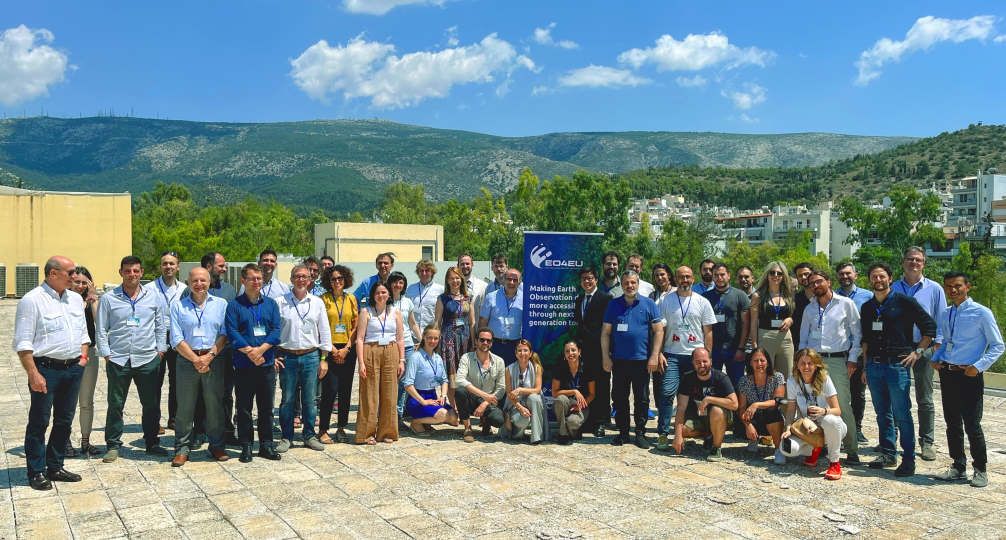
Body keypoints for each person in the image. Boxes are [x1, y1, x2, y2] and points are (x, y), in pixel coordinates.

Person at [12, 256, 89, 490]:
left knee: (64, 421)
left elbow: (83, 333)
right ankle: (36, 470)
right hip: (45, 369)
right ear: (52, 274)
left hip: (73, 368)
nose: (75, 276)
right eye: (70, 272)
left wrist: (82, 359)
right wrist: (33, 374)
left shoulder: (75, 299)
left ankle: (55, 466)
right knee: (39, 421)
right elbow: (23, 343)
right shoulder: (31, 300)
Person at [860, 263, 936, 477]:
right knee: (882, 413)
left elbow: (929, 328)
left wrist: (918, 352)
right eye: (874, 277)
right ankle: (888, 453)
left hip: (897, 366)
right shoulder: (867, 308)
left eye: (882, 276)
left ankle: (909, 459)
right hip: (874, 366)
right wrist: (865, 366)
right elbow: (865, 339)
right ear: (869, 281)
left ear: (890, 278)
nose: (878, 280)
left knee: (902, 414)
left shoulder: (905, 302)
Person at [931, 272, 1004, 488]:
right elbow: (946, 340)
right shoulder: (945, 313)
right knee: (952, 423)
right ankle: (957, 466)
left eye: (957, 286)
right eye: (948, 286)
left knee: (972, 424)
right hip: (948, 373)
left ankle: (980, 469)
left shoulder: (981, 313)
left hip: (969, 375)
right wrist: (936, 358)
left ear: (967, 287)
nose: (953, 290)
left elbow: (998, 346)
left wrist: (978, 366)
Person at [97, 255, 169, 462]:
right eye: (127, 271)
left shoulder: (153, 297)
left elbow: (161, 325)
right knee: (116, 404)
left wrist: (160, 350)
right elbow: (101, 328)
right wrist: (107, 353)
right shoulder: (109, 299)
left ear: (142, 273)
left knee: (151, 404)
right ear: (121, 272)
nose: (132, 275)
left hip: (147, 358)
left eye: (136, 271)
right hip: (119, 360)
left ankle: (152, 442)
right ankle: (112, 445)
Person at [798, 270, 862, 465]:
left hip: (837, 360)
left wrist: (852, 359)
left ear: (828, 281)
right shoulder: (809, 309)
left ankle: (852, 450)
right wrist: (802, 363)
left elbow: (857, 335)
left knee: (841, 405)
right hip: (814, 361)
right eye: (811, 284)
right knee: (818, 404)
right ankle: (822, 445)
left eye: (819, 281)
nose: (815, 285)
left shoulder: (846, 304)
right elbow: (803, 338)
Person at [168, 267, 229, 466]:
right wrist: (196, 359)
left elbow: (224, 334)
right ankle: (182, 448)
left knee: (214, 406)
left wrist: (209, 357)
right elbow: (176, 338)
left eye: (203, 280)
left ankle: (216, 445)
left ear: (209, 282)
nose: (199, 284)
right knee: (184, 407)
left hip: (214, 360)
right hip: (187, 361)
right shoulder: (178, 306)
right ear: (188, 282)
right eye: (195, 280)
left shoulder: (221, 304)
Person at [891, 247, 946, 462]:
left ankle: (927, 442)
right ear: (903, 262)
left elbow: (940, 322)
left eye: (919, 260)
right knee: (897, 396)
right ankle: (892, 438)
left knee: (925, 398)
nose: (914, 263)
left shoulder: (935, 289)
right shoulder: (893, 288)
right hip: (900, 349)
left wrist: (936, 351)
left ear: (924, 263)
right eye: (910, 259)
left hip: (925, 349)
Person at [225, 263, 282, 463]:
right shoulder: (234, 305)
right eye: (252, 279)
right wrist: (250, 351)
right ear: (243, 281)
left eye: (259, 278)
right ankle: (246, 445)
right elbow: (232, 332)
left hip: (265, 364)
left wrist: (261, 350)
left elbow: (276, 330)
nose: (257, 282)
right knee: (244, 409)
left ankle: (266, 445)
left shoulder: (271, 304)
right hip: (244, 365)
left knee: (266, 408)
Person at [655, 265, 715, 451]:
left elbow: (708, 331)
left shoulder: (702, 302)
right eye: (681, 277)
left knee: (695, 396)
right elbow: (660, 329)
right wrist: (659, 353)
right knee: (667, 393)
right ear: (675, 279)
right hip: (671, 355)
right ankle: (663, 434)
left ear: (692, 278)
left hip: (694, 356)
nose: (685, 280)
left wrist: (708, 356)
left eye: (688, 277)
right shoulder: (666, 301)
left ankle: (696, 431)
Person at [601, 270, 663, 449]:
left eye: (633, 283)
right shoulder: (613, 305)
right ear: (622, 285)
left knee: (642, 398)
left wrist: (654, 355)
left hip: (642, 360)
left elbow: (659, 331)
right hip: (619, 360)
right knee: (620, 398)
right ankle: (622, 433)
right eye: (626, 283)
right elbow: (605, 333)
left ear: (638, 284)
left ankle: (641, 433)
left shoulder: (649, 304)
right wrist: (606, 356)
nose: (630, 286)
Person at [275, 264, 332, 452]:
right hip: (287, 357)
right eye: (297, 276)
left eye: (304, 277)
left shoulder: (317, 302)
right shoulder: (280, 302)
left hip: (310, 356)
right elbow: (273, 331)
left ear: (310, 280)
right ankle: (286, 437)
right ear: (291, 280)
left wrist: (324, 359)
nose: (301, 280)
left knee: (310, 400)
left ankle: (309, 435)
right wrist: (274, 355)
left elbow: (324, 331)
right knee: (287, 399)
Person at [780, 349, 846, 480]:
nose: (806, 367)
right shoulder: (793, 381)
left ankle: (834, 463)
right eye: (802, 363)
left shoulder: (824, 379)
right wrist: (787, 428)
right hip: (808, 428)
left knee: (830, 420)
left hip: (831, 428)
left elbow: (838, 410)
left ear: (816, 365)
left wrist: (823, 411)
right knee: (787, 448)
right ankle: (815, 448)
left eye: (810, 363)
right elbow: (791, 410)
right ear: (797, 365)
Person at [355, 281, 405, 445]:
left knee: (390, 393)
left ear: (389, 294)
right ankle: (366, 434)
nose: (381, 295)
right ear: (372, 295)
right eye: (377, 293)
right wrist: (361, 362)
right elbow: (360, 339)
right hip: (371, 350)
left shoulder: (396, 313)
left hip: (391, 351)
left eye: (384, 292)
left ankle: (387, 432)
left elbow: (400, 338)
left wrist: (402, 360)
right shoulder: (366, 311)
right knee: (370, 394)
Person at [671, 348, 739, 461]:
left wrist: (710, 399)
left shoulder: (721, 377)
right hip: (698, 417)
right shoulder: (687, 378)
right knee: (681, 430)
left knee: (716, 411)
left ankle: (716, 447)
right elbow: (681, 408)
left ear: (711, 361)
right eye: (698, 362)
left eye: (705, 361)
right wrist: (677, 436)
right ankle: (709, 435)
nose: (702, 365)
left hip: (719, 417)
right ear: (693, 363)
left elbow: (734, 404)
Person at [145, 251, 186, 434]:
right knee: (155, 382)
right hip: (156, 338)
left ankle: (174, 418)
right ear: (160, 266)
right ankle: (154, 421)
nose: (168, 267)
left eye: (172, 264)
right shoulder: (149, 288)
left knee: (177, 381)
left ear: (178, 267)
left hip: (178, 338)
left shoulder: (184, 289)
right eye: (165, 264)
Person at [200, 251, 238, 445]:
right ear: (209, 266)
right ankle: (199, 431)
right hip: (198, 352)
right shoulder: (192, 289)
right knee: (199, 393)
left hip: (224, 352)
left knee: (225, 393)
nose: (225, 269)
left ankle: (226, 430)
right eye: (221, 265)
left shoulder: (230, 290)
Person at [319, 265, 358, 443]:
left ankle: (341, 427)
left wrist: (347, 348)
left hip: (348, 349)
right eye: (334, 279)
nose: (337, 282)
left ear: (346, 280)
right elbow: (320, 326)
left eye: (340, 278)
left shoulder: (351, 299)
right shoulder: (323, 299)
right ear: (329, 281)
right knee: (330, 390)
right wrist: (334, 349)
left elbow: (356, 326)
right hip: (330, 347)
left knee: (345, 390)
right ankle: (323, 429)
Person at [835, 262, 873, 445]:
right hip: (839, 352)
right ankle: (840, 429)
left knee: (858, 393)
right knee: (839, 393)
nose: (845, 277)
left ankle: (856, 429)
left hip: (859, 351)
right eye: (841, 274)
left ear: (856, 276)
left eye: (848, 273)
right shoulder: (832, 297)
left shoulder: (868, 296)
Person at [573, 266, 612, 437]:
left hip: (600, 351)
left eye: (590, 278)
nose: (587, 281)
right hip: (584, 353)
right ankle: (588, 420)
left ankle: (601, 422)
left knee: (602, 387)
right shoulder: (579, 299)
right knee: (587, 387)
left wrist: (607, 354)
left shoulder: (606, 299)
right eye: (584, 279)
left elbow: (607, 328)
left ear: (596, 279)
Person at [69, 266, 103, 457]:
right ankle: (64, 441)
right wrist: (82, 303)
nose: (81, 286)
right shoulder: (64, 300)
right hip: (69, 357)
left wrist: (93, 300)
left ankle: (85, 441)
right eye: (77, 282)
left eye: (85, 283)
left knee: (86, 402)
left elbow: (99, 323)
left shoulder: (90, 300)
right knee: (66, 402)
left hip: (89, 353)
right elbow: (75, 319)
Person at [402, 326, 458, 435]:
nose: (432, 341)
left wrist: (443, 396)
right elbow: (408, 385)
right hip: (417, 399)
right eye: (429, 338)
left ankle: (426, 422)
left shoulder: (438, 358)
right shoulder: (416, 357)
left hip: (432, 396)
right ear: (423, 338)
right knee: (442, 414)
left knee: (454, 418)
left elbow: (444, 381)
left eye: (435, 338)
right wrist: (423, 401)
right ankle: (416, 422)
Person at [703, 263, 750, 389]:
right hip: (713, 350)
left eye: (722, 274)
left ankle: (737, 409)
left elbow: (746, 324)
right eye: (716, 275)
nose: (719, 278)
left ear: (728, 276)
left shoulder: (740, 295)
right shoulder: (705, 297)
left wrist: (741, 348)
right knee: (712, 385)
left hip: (734, 349)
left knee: (737, 385)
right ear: (712, 277)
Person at [736, 348, 786, 464]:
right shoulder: (744, 381)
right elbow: (742, 407)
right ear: (750, 363)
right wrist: (747, 425)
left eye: (762, 360)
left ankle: (778, 450)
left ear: (768, 362)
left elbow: (777, 401)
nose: (759, 364)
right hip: (753, 418)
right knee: (744, 413)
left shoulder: (777, 377)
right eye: (755, 361)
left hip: (772, 419)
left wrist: (756, 404)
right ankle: (753, 438)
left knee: (772, 410)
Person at [433, 266, 476, 402]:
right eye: (451, 278)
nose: (455, 281)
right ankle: (453, 407)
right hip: (448, 340)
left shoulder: (469, 298)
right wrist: (434, 343)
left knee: (465, 373)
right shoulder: (442, 298)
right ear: (447, 280)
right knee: (452, 374)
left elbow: (472, 322)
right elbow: (437, 322)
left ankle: (465, 406)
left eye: (457, 278)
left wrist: (474, 343)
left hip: (465, 339)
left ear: (461, 280)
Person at [748, 261, 796, 379]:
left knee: (787, 375)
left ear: (783, 276)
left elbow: (791, 315)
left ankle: (784, 398)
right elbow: (753, 322)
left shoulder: (788, 295)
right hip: (766, 337)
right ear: (767, 275)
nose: (775, 275)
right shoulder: (757, 296)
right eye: (772, 272)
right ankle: (768, 398)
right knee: (765, 374)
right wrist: (754, 344)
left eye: (779, 273)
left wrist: (790, 319)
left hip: (785, 338)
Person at [387, 271, 421, 418]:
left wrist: (420, 340)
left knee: (404, 381)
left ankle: (398, 415)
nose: (397, 285)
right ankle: (386, 414)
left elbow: (412, 323)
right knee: (390, 380)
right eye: (395, 282)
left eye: (400, 282)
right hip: (390, 344)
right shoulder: (385, 300)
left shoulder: (407, 302)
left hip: (407, 345)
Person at [501, 340, 546, 443]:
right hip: (515, 404)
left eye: (525, 350)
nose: (522, 353)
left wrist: (520, 389)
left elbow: (538, 389)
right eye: (519, 351)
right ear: (516, 353)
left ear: (530, 353)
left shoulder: (537, 368)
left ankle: (536, 437)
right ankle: (517, 434)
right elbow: (509, 394)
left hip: (531, 403)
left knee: (535, 398)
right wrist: (520, 408)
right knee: (522, 420)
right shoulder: (509, 369)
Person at [552, 339, 595, 445]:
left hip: (582, 405)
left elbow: (592, 394)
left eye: (573, 350)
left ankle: (573, 430)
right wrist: (573, 391)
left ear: (579, 352)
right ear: (564, 354)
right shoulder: (560, 367)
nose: (570, 353)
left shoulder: (587, 368)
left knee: (573, 422)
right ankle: (563, 434)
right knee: (560, 399)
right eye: (567, 351)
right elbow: (554, 393)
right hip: (566, 403)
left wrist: (581, 405)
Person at [479, 268, 524, 366]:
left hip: (515, 346)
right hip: (494, 345)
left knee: (512, 379)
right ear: (504, 280)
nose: (511, 282)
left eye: (515, 280)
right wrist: (481, 343)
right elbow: (483, 322)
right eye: (509, 279)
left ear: (520, 282)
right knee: (492, 377)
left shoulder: (525, 299)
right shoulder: (491, 297)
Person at [406, 259, 444, 333]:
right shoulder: (410, 289)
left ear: (432, 272)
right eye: (421, 271)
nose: (424, 273)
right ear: (418, 272)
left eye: (427, 271)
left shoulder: (441, 290)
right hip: (413, 334)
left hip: (432, 334)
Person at [790, 263, 816, 351]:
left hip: (822, 347)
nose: (804, 277)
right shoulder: (795, 299)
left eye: (806, 274)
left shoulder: (823, 297)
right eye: (800, 275)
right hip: (800, 347)